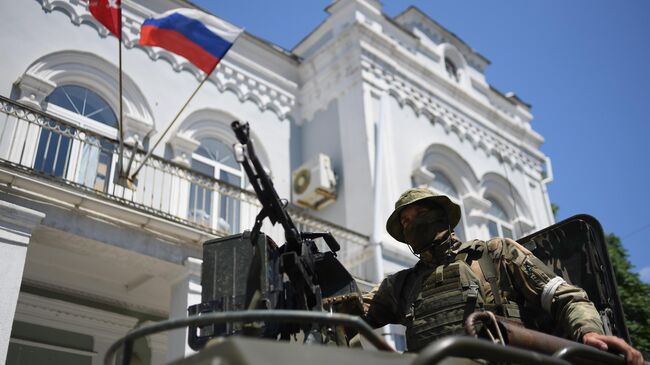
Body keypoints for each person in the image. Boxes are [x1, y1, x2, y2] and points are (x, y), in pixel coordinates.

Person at [362, 188, 643, 364]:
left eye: (420, 213)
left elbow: (564, 297)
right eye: (406, 221)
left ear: (440, 216)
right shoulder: (400, 285)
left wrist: (589, 333)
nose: (411, 223)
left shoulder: (495, 254)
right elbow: (350, 313)